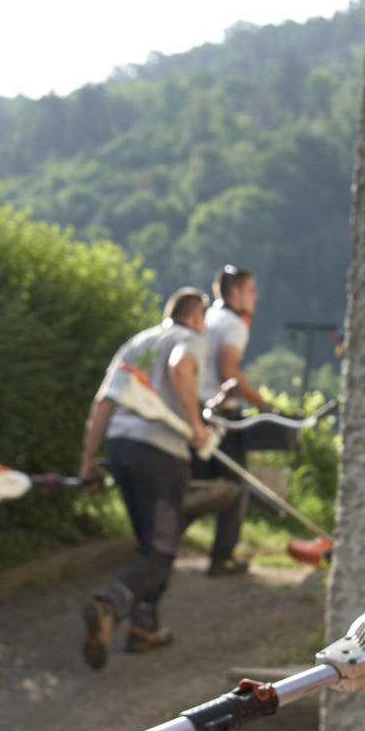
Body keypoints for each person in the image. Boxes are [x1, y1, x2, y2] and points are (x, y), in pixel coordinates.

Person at [78, 287, 211, 670]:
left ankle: (144, 625)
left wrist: (88, 459)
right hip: (161, 453)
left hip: (121, 447)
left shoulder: (136, 343)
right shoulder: (189, 339)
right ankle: (111, 603)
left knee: (149, 544)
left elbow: (104, 400)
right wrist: (196, 426)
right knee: (161, 549)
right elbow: (181, 368)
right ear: (197, 316)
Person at [197, 264, 265, 576]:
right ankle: (222, 556)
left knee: (195, 480)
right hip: (220, 413)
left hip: (194, 406)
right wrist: (264, 403)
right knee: (237, 484)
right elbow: (229, 372)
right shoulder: (235, 324)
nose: (257, 297)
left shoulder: (208, 317)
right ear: (234, 292)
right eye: (251, 290)